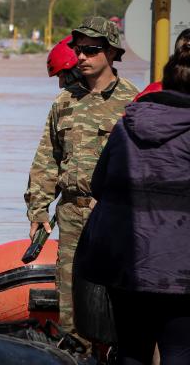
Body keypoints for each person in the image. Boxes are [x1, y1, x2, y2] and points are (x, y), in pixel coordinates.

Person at [74, 45, 190, 365]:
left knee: (131, 350)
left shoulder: (126, 125)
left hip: (126, 264)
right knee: (180, 351)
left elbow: (98, 185)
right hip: (181, 270)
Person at [24, 16, 139, 335]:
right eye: (78, 50)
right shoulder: (64, 102)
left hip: (115, 216)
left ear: (113, 52)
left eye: (91, 49)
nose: (82, 56)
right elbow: (47, 158)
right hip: (73, 215)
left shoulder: (133, 103)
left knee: (115, 301)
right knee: (71, 305)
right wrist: (37, 210)